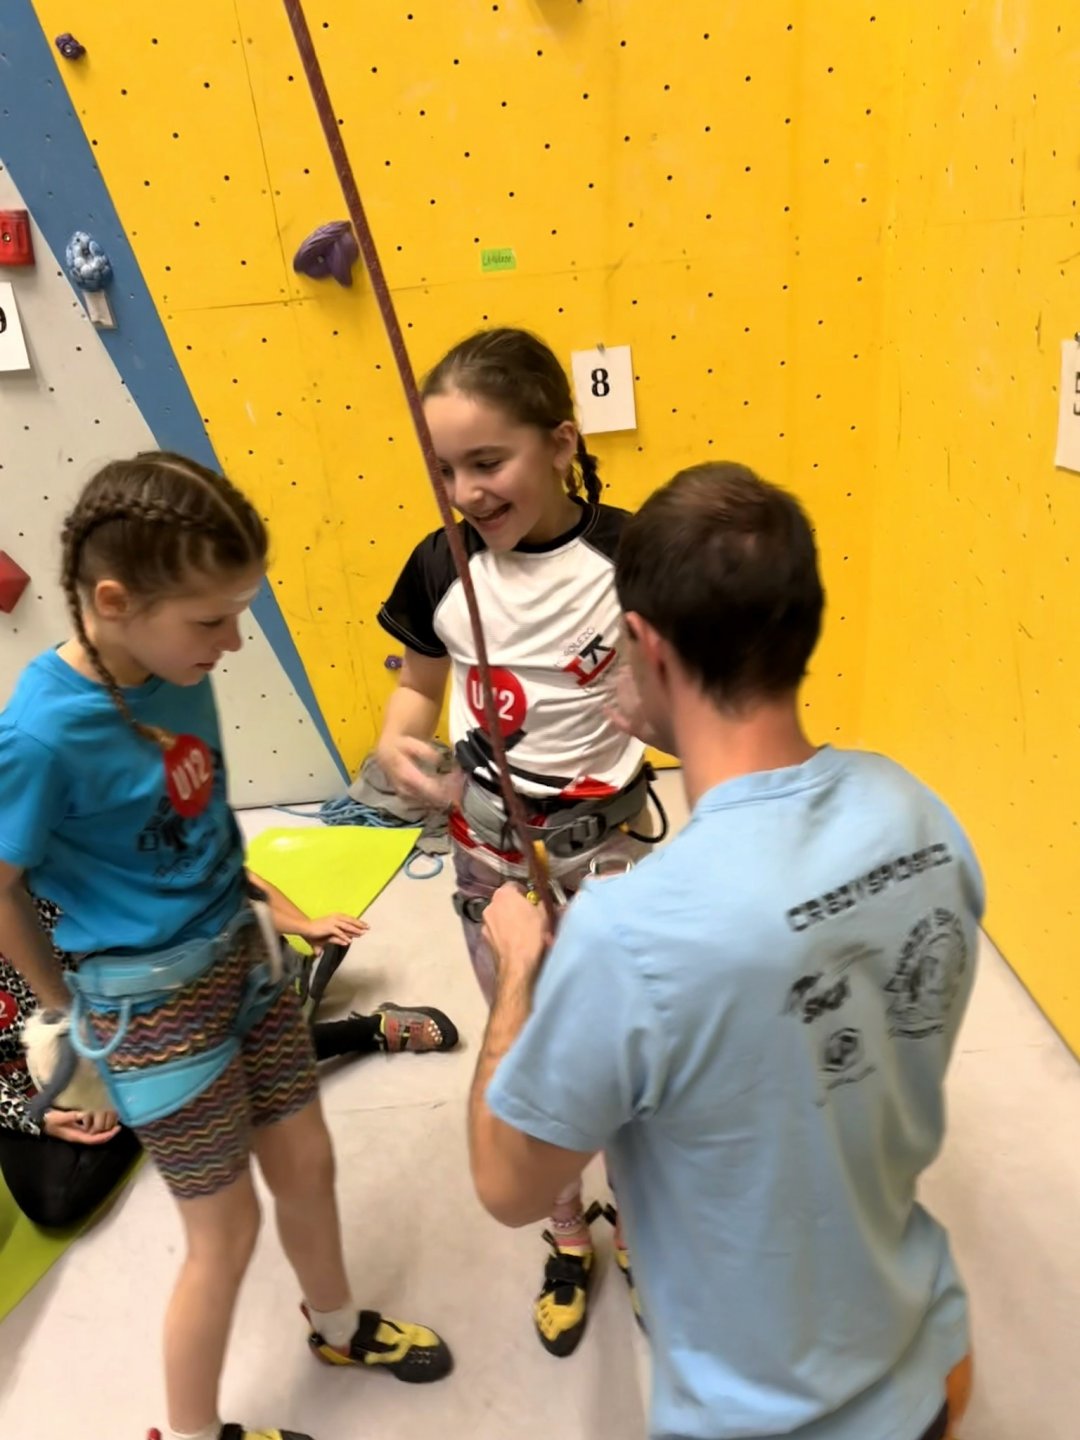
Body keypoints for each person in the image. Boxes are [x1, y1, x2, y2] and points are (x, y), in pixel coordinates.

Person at [469, 462, 978, 1440]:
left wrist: (521, 973)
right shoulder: (916, 811)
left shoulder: (629, 932)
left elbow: (507, 1184)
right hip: (931, 1356)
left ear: (647, 644)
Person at [0, 453, 451, 1440]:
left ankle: (337, 1328)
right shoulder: (39, 734)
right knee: (226, 1232)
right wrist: (61, 1010)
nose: (235, 642)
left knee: (308, 1165)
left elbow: (200, 831)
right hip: (152, 1012)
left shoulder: (174, 664)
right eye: (213, 620)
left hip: (244, 966)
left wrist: (281, 912)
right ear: (114, 603)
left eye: (239, 613)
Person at [376, 327, 658, 1356]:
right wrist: (397, 745)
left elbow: (689, 695)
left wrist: (658, 711)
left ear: (562, 443)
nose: (466, 491)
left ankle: (643, 1228)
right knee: (531, 1045)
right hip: (493, 856)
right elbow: (415, 691)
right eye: (445, 469)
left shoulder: (637, 556)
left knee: (628, 1051)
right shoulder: (438, 565)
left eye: (488, 462)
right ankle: (566, 1229)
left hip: (610, 846)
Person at [0, 878, 459, 1233]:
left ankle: (367, 1029)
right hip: (25, 1084)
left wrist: (302, 924)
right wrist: (33, 1116)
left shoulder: (59, 871)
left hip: (113, 1030)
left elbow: (208, 881)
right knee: (54, 1204)